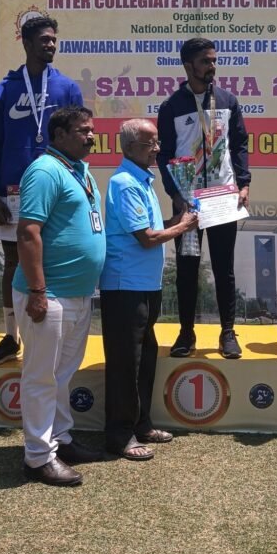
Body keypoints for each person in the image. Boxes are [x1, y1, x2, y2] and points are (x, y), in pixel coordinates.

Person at [0, 16, 83, 367]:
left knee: (53, 256)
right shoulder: (4, 91)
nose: (51, 44)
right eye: (44, 40)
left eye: (54, 39)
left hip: (57, 190)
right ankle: (11, 337)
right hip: (13, 192)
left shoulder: (67, 88)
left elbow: (78, 140)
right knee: (13, 262)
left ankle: (55, 330)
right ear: (26, 43)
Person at [13, 106, 106, 486]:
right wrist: (37, 291)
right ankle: (38, 457)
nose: (91, 136)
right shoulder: (45, 171)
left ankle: (60, 440)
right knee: (41, 378)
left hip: (77, 294)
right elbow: (27, 232)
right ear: (60, 134)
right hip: (47, 295)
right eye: (83, 131)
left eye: (91, 130)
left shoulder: (79, 170)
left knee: (62, 376)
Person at [100, 119, 198, 461]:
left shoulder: (142, 180)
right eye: (149, 144)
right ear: (129, 148)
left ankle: (141, 424)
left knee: (144, 360)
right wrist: (183, 227)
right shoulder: (126, 184)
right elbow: (147, 238)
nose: (157, 149)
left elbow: (156, 228)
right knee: (126, 364)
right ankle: (120, 435)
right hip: (125, 287)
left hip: (144, 286)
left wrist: (181, 219)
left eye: (157, 142)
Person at [157, 37, 251, 359]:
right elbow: (164, 156)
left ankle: (228, 332)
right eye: (205, 61)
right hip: (189, 202)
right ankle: (186, 333)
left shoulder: (227, 100)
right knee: (187, 267)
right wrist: (175, 194)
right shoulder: (171, 107)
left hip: (222, 196)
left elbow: (239, 144)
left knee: (225, 267)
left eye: (214, 60)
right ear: (188, 66)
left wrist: (244, 184)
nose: (212, 66)